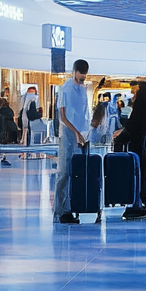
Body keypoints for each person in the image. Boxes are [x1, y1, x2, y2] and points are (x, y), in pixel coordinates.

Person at [54, 60, 91, 224]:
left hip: (79, 135)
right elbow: (63, 115)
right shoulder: (66, 88)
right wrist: (75, 132)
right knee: (64, 172)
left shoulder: (83, 90)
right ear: (74, 71)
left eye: (84, 77)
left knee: (75, 172)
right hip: (68, 133)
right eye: (80, 77)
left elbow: (84, 113)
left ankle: (72, 206)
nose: (82, 80)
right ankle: (61, 210)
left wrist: (84, 133)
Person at [114, 80, 146, 220]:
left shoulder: (141, 103)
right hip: (138, 146)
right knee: (140, 170)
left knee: (135, 172)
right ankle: (139, 201)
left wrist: (122, 136)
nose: (132, 92)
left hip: (134, 147)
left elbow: (133, 124)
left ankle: (135, 202)